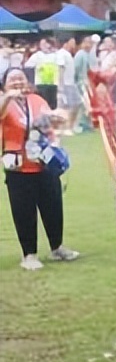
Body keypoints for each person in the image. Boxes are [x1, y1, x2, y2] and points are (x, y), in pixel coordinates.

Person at [2, 68, 78, 270]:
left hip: (43, 162)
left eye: (21, 78)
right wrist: (8, 97)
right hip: (18, 166)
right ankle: (29, 254)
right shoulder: (4, 103)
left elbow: (49, 125)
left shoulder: (37, 100)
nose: (18, 82)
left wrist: (56, 122)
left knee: (53, 206)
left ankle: (57, 246)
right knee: (24, 211)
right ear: (5, 84)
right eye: (12, 79)